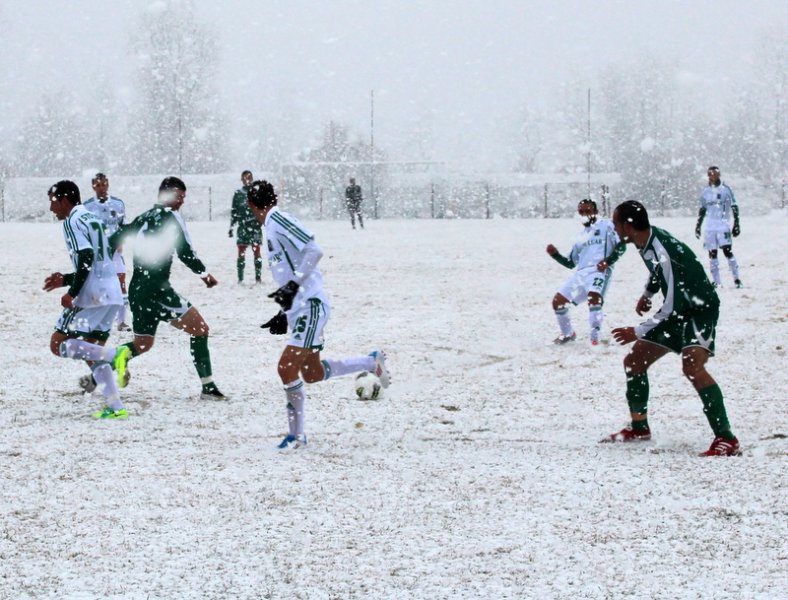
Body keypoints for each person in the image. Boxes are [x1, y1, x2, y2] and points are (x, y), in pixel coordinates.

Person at [246, 180, 390, 450]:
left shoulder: (278, 219)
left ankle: (296, 437)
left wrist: (293, 286)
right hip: (300, 308)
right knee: (310, 373)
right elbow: (290, 272)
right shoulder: (270, 228)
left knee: (286, 368)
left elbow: (314, 250)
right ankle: (370, 363)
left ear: (252, 205)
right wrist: (282, 310)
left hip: (311, 306)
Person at [602, 200, 740, 457]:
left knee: (692, 367)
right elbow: (658, 273)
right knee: (634, 361)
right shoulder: (645, 241)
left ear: (628, 226)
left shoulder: (663, 249)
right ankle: (639, 428)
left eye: (616, 222)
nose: (614, 227)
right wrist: (648, 292)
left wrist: (638, 330)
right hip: (678, 311)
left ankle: (726, 439)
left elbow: (670, 307)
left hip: (699, 311)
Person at [110, 176, 227, 400]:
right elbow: (185, 251)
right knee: (200, 329)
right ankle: (209, 389)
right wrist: (204, 274)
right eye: (178, 197)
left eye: (183, 198)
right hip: (157, 289)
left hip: (137, 289)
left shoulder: (144, 216)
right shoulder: (172, 218)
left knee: (143, 343)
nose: (181, 202)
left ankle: (101, 371)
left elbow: (115, 238)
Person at [43, 180, 128, 419]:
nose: (52, 208)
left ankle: (116, 355)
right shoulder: (92, 218)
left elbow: (87, 256)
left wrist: (72, 291)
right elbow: (99, 258)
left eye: (53, 201)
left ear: (64, 200)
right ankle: (116, 407)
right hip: (112, 292)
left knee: (58, 344)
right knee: (92, 350)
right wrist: (66, 279)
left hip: (92, 294)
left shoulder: (72, 220)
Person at [546, 199, 626, 345]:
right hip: (581, 274)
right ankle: (568, 333)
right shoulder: (580, 237)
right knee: (558, 302)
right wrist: (555, 255)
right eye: (581, 212)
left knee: (594, 297)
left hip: (599, 271)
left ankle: (595, 339)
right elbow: (571, 263)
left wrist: (608, 261)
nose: (584, 214)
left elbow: (622, 245)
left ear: (595, 212)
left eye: (588, 211)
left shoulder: (608, 226)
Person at [83, 172, 131, 330]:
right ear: (93, 186)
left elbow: (123, 225)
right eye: (98, 185)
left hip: (115, 252)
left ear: (108, 184)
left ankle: (122, 322)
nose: (101, 187)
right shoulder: (87, 206)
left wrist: (121, 241)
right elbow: (84, 229)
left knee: (121, 283)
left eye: (104, 184)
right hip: (98, 253)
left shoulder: (117, 204)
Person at [695, 166, 743, 288]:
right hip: (710, 227)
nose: (713, 176)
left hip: (723, 226)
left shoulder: (726, 190)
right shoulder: (705, 192)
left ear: (719, 175)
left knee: (727, 251)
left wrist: (736, 223)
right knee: (712, 254)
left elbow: (734, 206)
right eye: (710, 174)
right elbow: (702, 209)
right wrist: (698, 226)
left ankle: (737, 279)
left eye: (715, 174)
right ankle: (717, 282)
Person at [228, 170, 264, 284]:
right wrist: (231, 227)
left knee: (257, 252)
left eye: (248, 178)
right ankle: (240, 279)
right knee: (241, 252)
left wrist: (262, 221)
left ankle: (258, 278)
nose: (246, 180)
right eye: (244, 178)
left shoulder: (257, 193)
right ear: (241, 179)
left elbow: (262, 210)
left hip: (255, 227)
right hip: (243, 227)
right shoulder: (238, 193)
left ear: (252, 179)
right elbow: (234, 211)